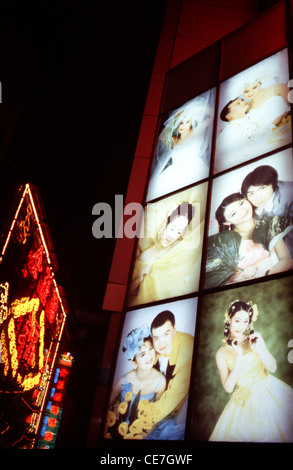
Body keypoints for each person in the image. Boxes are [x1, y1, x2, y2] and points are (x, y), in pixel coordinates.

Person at [210, 301, 293, 442]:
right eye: (237, 321)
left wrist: (258, 349)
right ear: (229, 319)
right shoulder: (221, 352)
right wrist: (239, 358)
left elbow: (272, 367)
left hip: (269, 392)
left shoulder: (254, 339)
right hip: (244, 401)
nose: (240, 326)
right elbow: (228, 387)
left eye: (245, 321)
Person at [205, 192, 293, 289]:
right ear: (227, 222)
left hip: (272, 283)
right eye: (233, 213)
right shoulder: (225, 242)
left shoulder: (268, 224)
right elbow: (218, 278)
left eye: (241, 203)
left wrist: (262, 272)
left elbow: (286, 261)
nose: (242, 211)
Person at [129, 202, 201, 306]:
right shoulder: (144, 257)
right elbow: (126, 295)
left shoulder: (179, 249)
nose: (172, 236)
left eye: (179, 232)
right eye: (172, 228)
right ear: (166, 224)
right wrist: (139, 279)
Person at [147, 92, 214, 201]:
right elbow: (162, 136)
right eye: (181, 123)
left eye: (187, 122)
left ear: (191, 125)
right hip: (175, 171)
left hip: (193, 167)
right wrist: (177, 117)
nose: (182, 125)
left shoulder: (195, 134)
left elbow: (211, 115)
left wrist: (198, 107)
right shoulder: (175, 140)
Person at [107, 324, 166, 439]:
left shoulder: (161, 382)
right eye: (143, 354)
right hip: (119, 432)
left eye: (150, 349)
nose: (149, 355)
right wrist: (115, 406)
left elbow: (157, 416)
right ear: (134, 363)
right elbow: (105, 404)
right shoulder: (123, 381)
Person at [146, 310, 194, 440]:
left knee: (170, 434)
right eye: (156, 338)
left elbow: (175, 394)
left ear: (174, 329)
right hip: (163, 399)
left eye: (166, 334)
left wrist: (144, 421)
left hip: (187, 397)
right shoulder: (151, 348)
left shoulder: (187, 345)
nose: (161, 343)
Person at [241, 164, 293, 257]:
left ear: (272, 184)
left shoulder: (289, 193)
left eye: (263, 188)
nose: (258, 197)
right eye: (251, 193)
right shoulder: (250, 208)